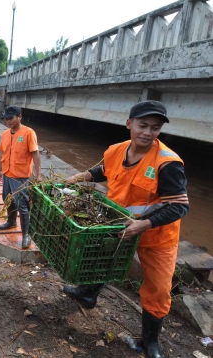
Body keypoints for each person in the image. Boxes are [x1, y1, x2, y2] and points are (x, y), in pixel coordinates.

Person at [63, 101, 189, 358]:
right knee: (102, 259)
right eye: (142, 125)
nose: (147, 132)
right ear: (129, 123)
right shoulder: (116, 151)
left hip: (157, 236)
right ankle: (87, 294)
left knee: (158, 288)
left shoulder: (168, 163)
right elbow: (105, 171)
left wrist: (143, 224)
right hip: (119, 226)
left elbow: (179, 206)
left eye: (155, 128)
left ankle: (150, 342)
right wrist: (82, 176)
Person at [0, 106, 42, 249]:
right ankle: (11, 221)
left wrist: (39, 174)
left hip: (21, 177)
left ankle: (26, 235)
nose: (8, 121)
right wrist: (0, 170)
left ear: (19, 117)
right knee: (7, 199)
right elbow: (2, 153)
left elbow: (35, 154)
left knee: (22, 206)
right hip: (7, 174)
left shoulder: (28, 133)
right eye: (6, 118)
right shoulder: (4, 134)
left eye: (11, 118)